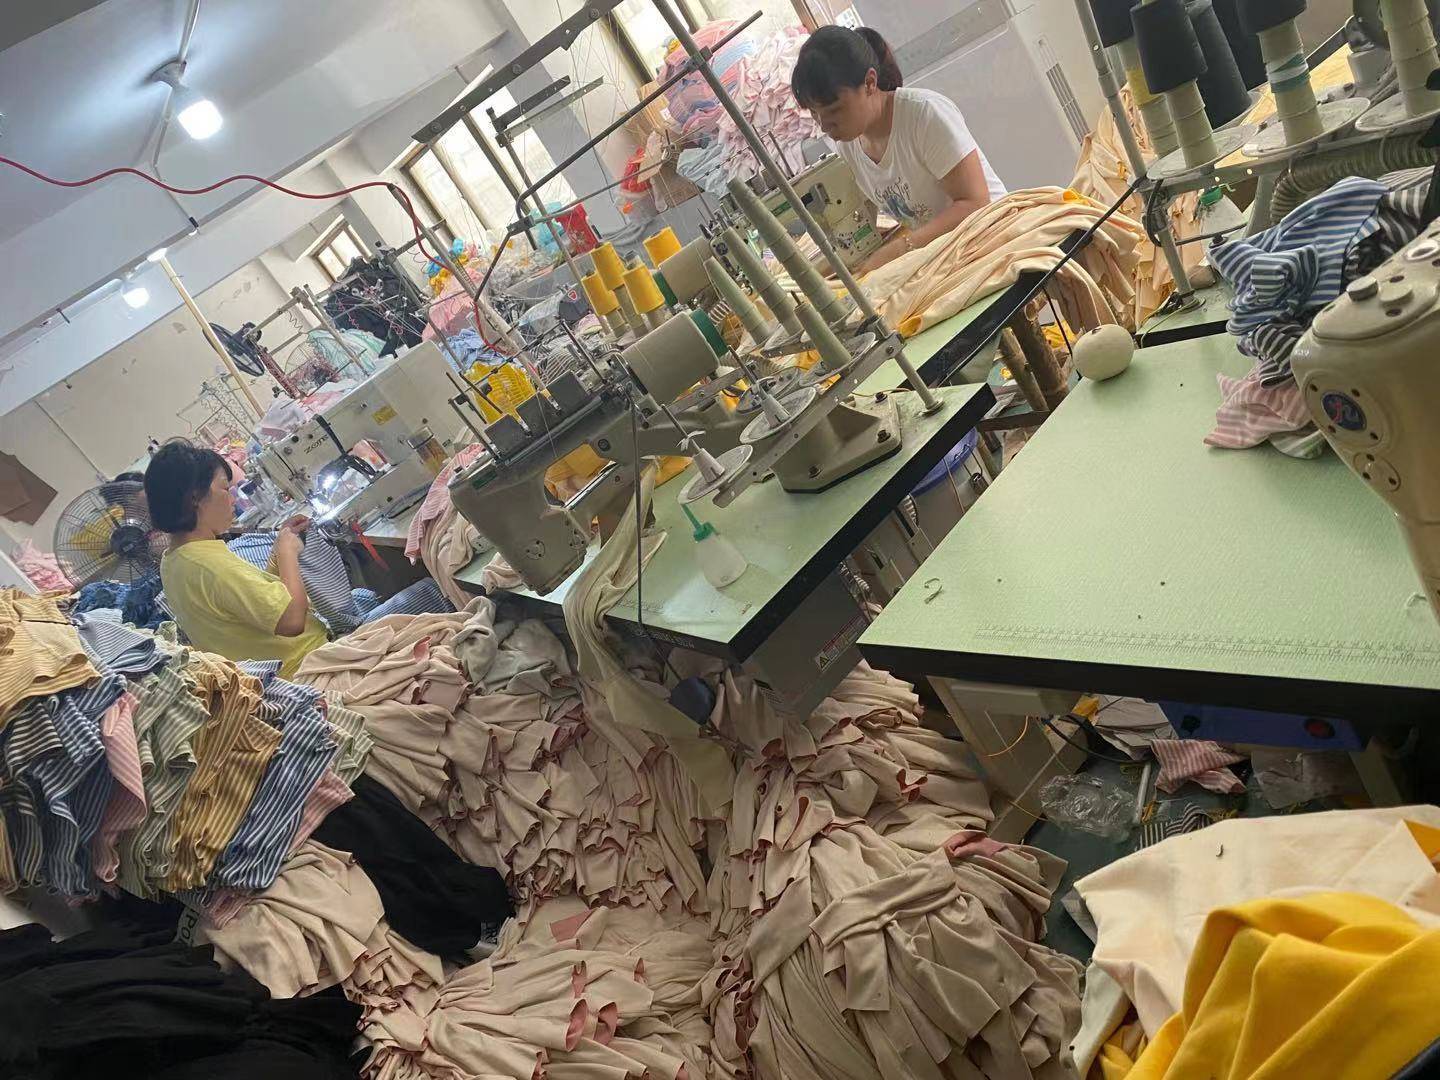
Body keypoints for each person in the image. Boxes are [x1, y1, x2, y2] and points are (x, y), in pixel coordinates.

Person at [791, 25, 1006, 274]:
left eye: (834, 110)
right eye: (814, 113)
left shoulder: (923, 114)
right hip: (946, 257)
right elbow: (860, 228)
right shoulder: (848, 148)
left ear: (870, 83)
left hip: (994, 237)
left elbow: (975, 203)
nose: (824, 125)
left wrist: (902, 248)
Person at [146, 440, 327, 676]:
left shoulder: (175, 560)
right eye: (225, 489)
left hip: (278, 672)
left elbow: (250, 610)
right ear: (195, 498)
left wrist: (276, 555)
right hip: (306, 667)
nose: (233, 500)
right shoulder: (209, 566)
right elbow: (292, 620)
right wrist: (287, 554)